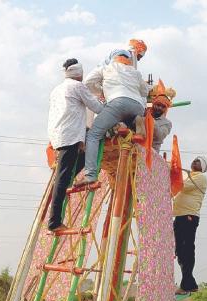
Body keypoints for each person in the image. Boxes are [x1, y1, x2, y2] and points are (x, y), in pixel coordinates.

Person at [76, 51, 149, 186]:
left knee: (93, 135)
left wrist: (102, 89)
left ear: (112, 59)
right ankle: (133, 121)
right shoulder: (135, 72)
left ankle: (90, 174)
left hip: (117, 102)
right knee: (121, 118)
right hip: (138, 106)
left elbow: (88, 83)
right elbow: (145, 92)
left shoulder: (105, 68)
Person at [47, 58, 104, 232]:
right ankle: (54, 222)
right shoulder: (77, 86)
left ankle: (75, 177)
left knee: (78, 161)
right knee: (62, 178)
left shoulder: (57, 89)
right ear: (79, 74)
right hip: (70, 134)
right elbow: (96, 106)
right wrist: (113, 112)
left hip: (60, 133)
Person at [173, 156, 207, 294]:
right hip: (181, 215)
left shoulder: (201, 177)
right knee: (180, 250)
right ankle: (188, 283)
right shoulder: (190, 176)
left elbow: (180, 186)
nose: (194, 161)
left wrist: (172, 172)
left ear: (203, 167)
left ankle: (187, 284)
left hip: (188, 216)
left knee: (186, 249)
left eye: (198, 161)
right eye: (194, 159)